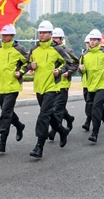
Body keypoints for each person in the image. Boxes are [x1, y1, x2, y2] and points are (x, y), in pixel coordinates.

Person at [25, 20, 74, 159]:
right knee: (49, 114)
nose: (42, 35)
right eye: (40, 32)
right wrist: (30, 66)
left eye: (45, 32)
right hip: (39, 87)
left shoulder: (57, 49)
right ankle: (62, 130)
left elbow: (70, 63)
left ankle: (39, 146)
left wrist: (59, 70)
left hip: (53, 87)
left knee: (43, 116)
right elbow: (27, 64)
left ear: (51, 34)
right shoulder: (34, 49)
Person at [0, 24, 28, 153]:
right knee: (8, 112)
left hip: (13, 86)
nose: (4, 37)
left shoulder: (19, 49)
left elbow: (28, 63)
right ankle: (19, 125)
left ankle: (2, 141)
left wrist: (21, 72)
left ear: (12, 36)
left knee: (5, 113)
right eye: (2, 35)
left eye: (6, 35)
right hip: (0, 87)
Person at [79, 29, 104, 143]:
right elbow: (82, 70)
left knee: (96, 108)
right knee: (97, 107)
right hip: (90, 85)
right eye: (91, 40)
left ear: (99, 41)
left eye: (94, 40)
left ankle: (94, 133)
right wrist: (81, 69)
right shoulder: (84, 55)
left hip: (102, 84)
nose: (92, 42)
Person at [48, 27, 79, 141]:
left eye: (57, 37)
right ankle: (69, 118)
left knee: (57, 109)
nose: (55, 39)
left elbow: (75, 63)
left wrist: (69, 72)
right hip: (50, 84)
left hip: (63, 84)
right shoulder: (49, 49)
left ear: (61, 39)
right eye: (53, 37)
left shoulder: (67, 51)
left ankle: (55, 131)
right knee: (54, 108)